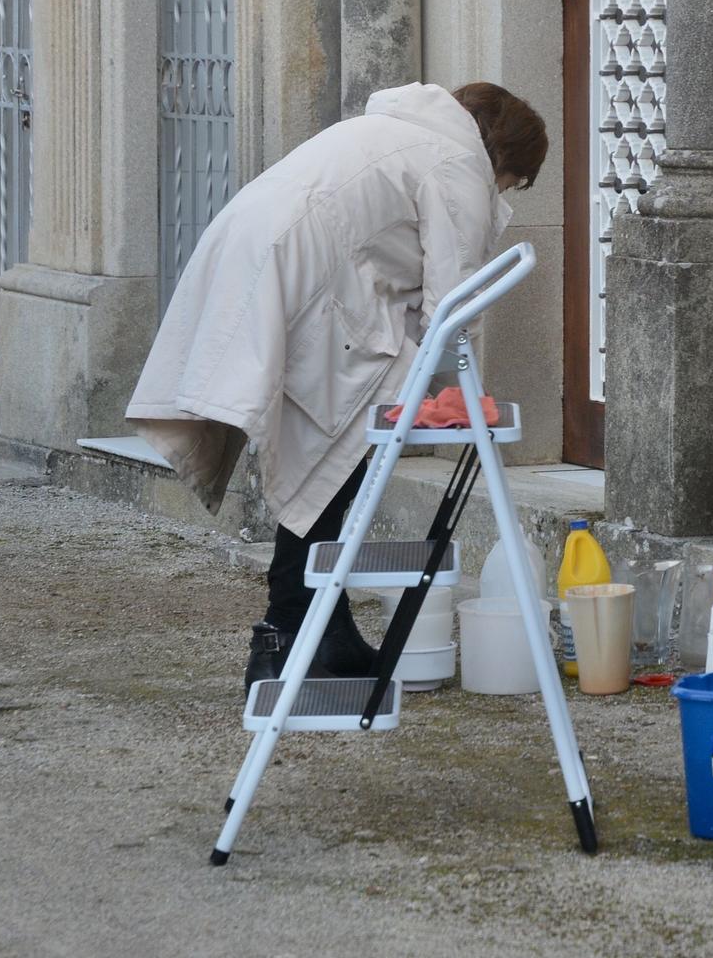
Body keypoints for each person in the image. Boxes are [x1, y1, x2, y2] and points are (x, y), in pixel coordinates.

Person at [128, 81, 547, 688]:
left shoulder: (402, 129)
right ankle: (284, 635)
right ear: (506, 157)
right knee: (338, 449)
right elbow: (456, 305)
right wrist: (457, 398)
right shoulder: (458, 160)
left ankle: (323, 628)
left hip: (255, 250)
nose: (505, 192)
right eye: (513, 183)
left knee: (330, 451)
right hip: (299, 274)